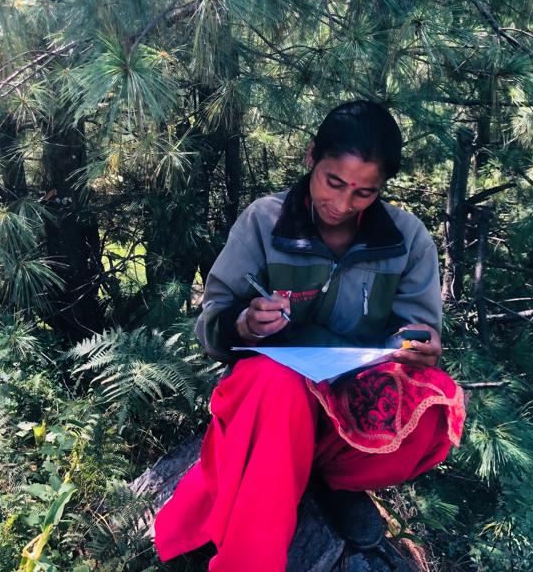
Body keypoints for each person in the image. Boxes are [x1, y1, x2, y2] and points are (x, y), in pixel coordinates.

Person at [154, 100, 465, 571]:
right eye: (333, 182)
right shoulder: (265, 221)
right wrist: (242, 323)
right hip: (271, 400)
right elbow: (211, 325)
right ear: (311, 156)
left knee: (436, 405)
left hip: (349, 401)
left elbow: (418, 331)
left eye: (364, 193)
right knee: (275, 384)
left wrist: (418, 346)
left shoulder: (407, 239)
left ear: (382, 188)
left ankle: (327, 479)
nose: (341, 205)